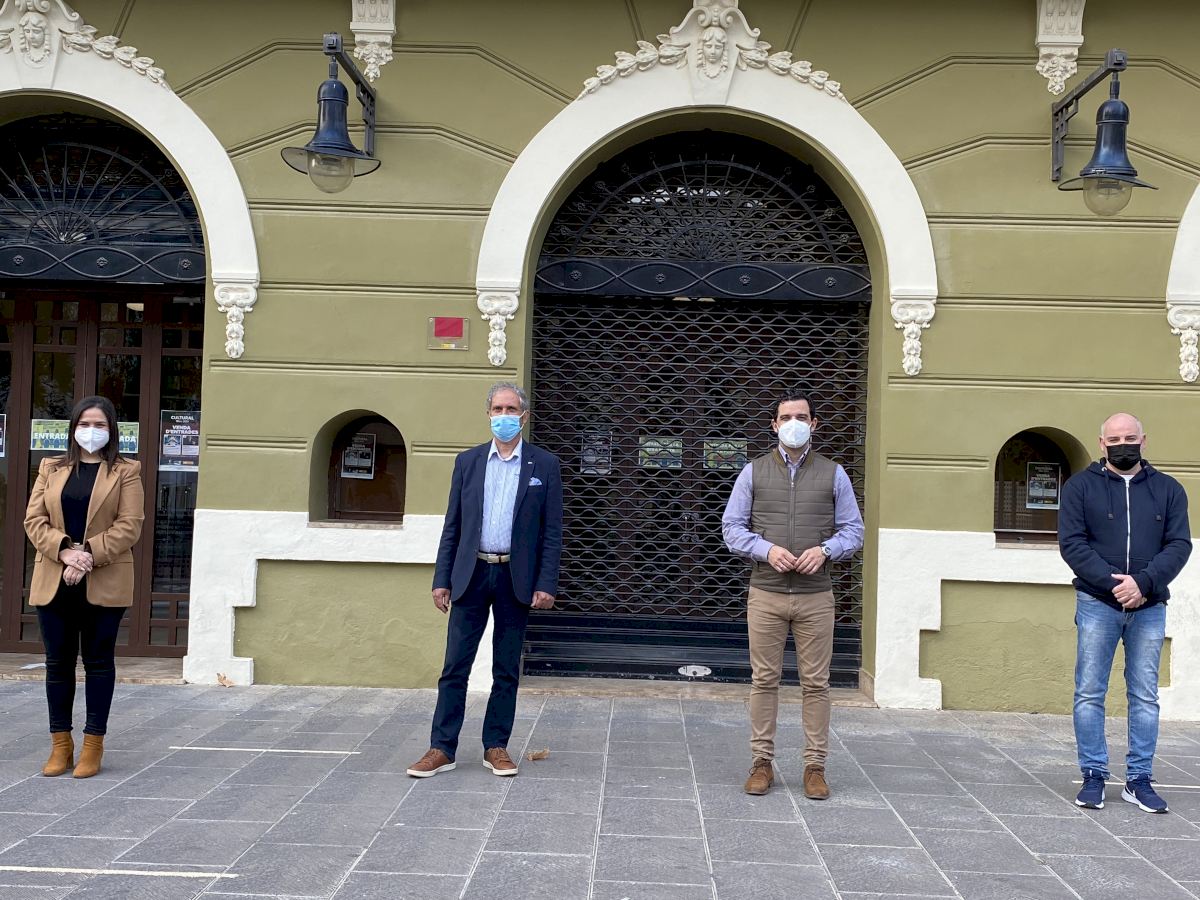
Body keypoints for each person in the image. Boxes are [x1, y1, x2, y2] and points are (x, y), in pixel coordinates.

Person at [408, 382, 563, 778]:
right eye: (498, 409)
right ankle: (441, 748)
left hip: (516, 577)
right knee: (454, 667)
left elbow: (552, 532)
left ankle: (496, 746)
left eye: (511, 409)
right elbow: (453, 525)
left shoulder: (544, 465)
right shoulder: (469, 462)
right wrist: (441, 578)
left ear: (524, 416)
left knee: (505, 669)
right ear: (488, 414)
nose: (504, 416)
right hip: (471, 574)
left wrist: (545, 582)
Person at [722, 390, 864, 799]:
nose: (793, 424)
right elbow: (732, 528)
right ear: (774, 425)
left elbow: (854, 530)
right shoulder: (753, 471)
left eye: (801, 417)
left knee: (816, 684)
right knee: (764, 680)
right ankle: (761, 762)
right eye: (786, 417)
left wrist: (826, 550)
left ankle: (815, 767)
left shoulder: (834, 473)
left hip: (815, 595)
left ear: (814, 424)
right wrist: (766, 550)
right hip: (766, 592)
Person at [1059, 412, 1191, 814]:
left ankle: (1139, 780)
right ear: (1102, 444)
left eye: (1129, 438)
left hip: (1149, 606)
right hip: (1097, 603)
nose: (1122, 445)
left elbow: (1179, 545)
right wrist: (1114, 584)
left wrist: (1143, 584)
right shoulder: (1080, 487)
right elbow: (1072, 543)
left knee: (1145, 695)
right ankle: (1093, 775)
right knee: (1089, 692)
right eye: (1114, 440)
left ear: (1143, 440)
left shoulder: (1169, 490)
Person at [24, 396, 145, 778]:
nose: (91, 431)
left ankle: (93, 745)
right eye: (85, 424)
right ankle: (61, 745)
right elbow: (34, 520)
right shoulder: (51, 467)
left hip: (105, 580)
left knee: (98, 662)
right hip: (53, 579)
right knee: (58, 664)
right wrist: (65, 552)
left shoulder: (126, 471)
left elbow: (130, 525)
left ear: (112, 430)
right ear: (73, 428)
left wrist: (87, 555)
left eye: (100, 425)